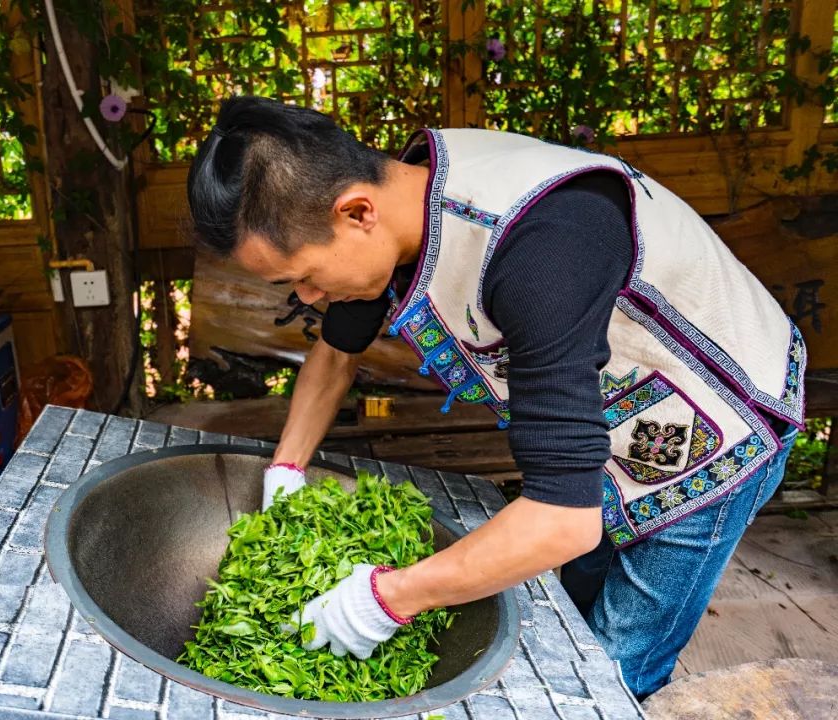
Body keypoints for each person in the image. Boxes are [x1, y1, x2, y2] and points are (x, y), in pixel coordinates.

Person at [185, 96, 805, 699]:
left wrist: (386, 599)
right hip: (602, 435)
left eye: (305, 279)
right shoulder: (396, 209)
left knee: (610, 674)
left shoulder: (539, 246)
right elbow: (336, 351)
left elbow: (562, 521)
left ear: (356, 213)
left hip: (720, 423)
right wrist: (286, 469)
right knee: (577, 611)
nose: (312, 299)